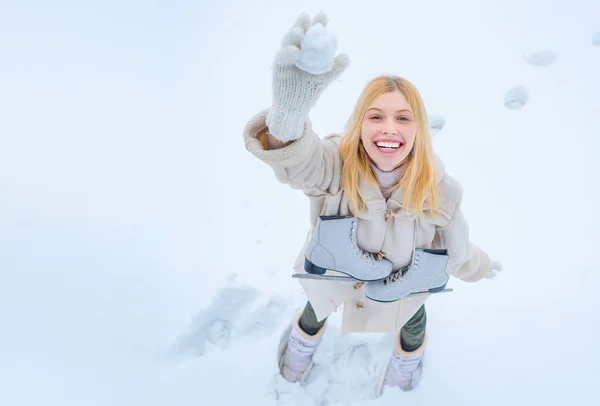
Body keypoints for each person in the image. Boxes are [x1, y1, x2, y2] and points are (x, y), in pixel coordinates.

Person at [242, 12, 502, 394]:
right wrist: (288, 118)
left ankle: (408, 356)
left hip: (404, 290)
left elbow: (456, 249)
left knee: (414, 321)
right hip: (330, 279)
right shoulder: (334, 167)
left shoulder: (440, 192)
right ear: (359, 124)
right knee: (317, 309)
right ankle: (304, 338)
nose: (389, 129)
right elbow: (300, 163)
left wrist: (478, 266)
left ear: (419, 130)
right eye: (376, 116)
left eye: (403, 118)